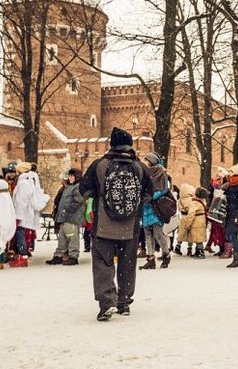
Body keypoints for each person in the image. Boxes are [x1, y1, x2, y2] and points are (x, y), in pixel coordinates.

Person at [81, 127, 154, 321]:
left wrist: (99, 198)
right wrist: (133, 203)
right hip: (130, 227)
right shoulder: (140, 167)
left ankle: (107, 302)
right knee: (127, 263)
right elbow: (149, 192)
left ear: (111, 144)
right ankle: (124, 301)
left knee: (103, 262)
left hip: (103, 224)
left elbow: (84, 189)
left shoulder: (99, 165)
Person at [11, 162, 48, 267]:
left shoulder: (23, 183)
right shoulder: (27, 181)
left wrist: (18, 211)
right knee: (20, 233)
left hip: (22, 213)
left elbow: (22, 200)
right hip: (23, 212)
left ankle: (23, 255)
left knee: (20, 233)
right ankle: (22, 254)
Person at [47, 169, 85, 266]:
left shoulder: (78, 187)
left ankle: (73, 256)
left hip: (72, 217)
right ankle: (59, 255)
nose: (71, 178)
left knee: (72, 236)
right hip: (64, 216)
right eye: (70, 176)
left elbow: (78, 201)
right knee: (62, 237)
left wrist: (68, 208)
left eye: (73, 176)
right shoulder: (67, 187)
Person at [140, 152, 171, 270]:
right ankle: (150, 258)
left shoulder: (161, 172)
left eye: (147, 161)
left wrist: (153, 196)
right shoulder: (145, 173)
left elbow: (165, 189)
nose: (145, 163)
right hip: (146, 206)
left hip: (156, 206)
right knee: (147, 233)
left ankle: (166, 254)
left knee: (158, 233)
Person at [180, 187, 208, 259]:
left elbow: (191, 214)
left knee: (197, 238)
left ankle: (200, 252)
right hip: (202, 221)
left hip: (196, 222)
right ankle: (198, 251)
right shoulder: (203, 201)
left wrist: (187, 224)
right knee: (199, 237)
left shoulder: (194, 203)